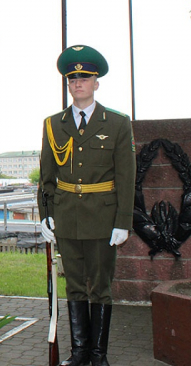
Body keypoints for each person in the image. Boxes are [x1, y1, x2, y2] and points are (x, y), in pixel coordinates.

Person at [38, 45, 136, 366]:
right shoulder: (53, 124)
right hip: (67, 217)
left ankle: (99, 355)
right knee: (76, 286)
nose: (77, 82)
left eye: (84, 77)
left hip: (103, 218)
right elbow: (47, 176)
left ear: (96, 83)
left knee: (101, 287)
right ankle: (79, 353)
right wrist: (46, 216)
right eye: (72, 78)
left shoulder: (118, 124)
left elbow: (126, 177)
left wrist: (123, 221)